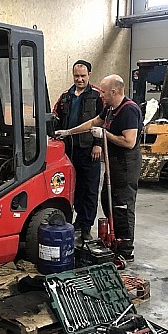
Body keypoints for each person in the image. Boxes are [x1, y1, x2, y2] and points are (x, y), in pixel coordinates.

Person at [55, 74, 143, 262]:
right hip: (113, 163)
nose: (101, 95)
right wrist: (68, 132)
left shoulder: (129, 110)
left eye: (104, 92)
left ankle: (126, 251)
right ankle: (114, 241)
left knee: (122, 206)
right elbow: (94, 122)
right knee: (108, 201)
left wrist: (105, 134)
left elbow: (129, 142)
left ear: (114, 92)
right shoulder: (110, 109)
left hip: (126, 165)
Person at [53, 60, 104, 241]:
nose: (79, 79)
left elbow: (104, 120)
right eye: (76, 76)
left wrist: (98, 143)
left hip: (89, 150)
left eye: (83, 76)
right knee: (73, 189)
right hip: (69, 151)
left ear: (89, 74)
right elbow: (56, 117)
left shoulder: (98, 96)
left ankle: (86, 227)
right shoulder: (65, 96)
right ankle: (75, 223)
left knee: (89, 190)